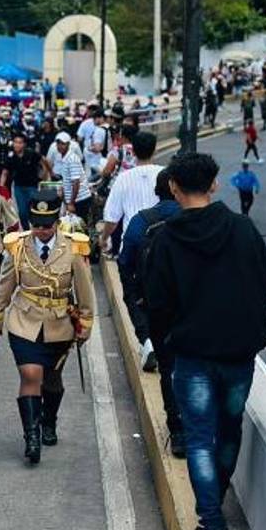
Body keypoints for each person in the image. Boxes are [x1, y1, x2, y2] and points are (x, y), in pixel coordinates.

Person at [142, 152, 266, 530]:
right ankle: (213, 504)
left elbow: (157, 304)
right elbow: (264, 288)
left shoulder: (164, 238)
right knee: (229, 429)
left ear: (173, 189)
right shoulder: (244, 229)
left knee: (199, 437)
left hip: (193, 354)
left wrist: (166, 345)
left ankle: (212, 529)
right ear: (215, 184)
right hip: (238, 352)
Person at [0, 192, 94, 464]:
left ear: (56, 221)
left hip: (59, 324)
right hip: (24, 321)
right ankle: (31, 437)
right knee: (30, 375)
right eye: (37, 223)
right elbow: (5, 286)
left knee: (52, 381)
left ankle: (49, 421)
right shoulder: (18, 246)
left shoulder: (73, 247)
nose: (42, 230)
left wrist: (85, 323)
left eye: (47, 224)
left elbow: (85, 290)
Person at [118, 170, 184, 453]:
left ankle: (178, 432)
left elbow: (125, 263)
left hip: (158, 310)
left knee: (169, 370)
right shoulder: (197, 221)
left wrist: (136, 300)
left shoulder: (141, 221)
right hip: (193, 308)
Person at [100, 131, 161, 256]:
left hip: (130, 243)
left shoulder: (123, 178)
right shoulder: (165, 174)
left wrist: (104, 238)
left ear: (132, 152)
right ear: (155, 151)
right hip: (158, 243)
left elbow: (112, 217)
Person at [1, 133, 47, 222]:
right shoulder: (11, 157)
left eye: (20, 142)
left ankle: (36, 229)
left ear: (24, 144)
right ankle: (26, 231)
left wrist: (44, 176)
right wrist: (1, 187)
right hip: (19, 187)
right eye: (15, 142)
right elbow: (4, 173)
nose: (17, 145)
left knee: (34, 210)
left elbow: (44, 161)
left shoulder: (31, 153)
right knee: (22, 213)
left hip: (32, 186)